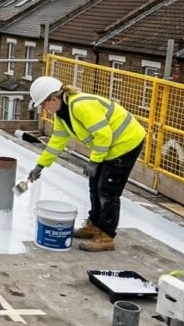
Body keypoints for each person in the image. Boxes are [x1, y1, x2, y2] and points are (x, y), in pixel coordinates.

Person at [26, 76, 146, 252]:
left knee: (107, 190)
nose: (43, 109)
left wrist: (94, 162)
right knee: (94, 185)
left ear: (53, 98)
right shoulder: (62, 115)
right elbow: (56, 143)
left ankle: (106, 236)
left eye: (44, 104)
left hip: (126, 142)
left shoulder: (80, 105)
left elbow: (104, 135)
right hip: (109, 145)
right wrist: (40, 166)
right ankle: (94, 225)